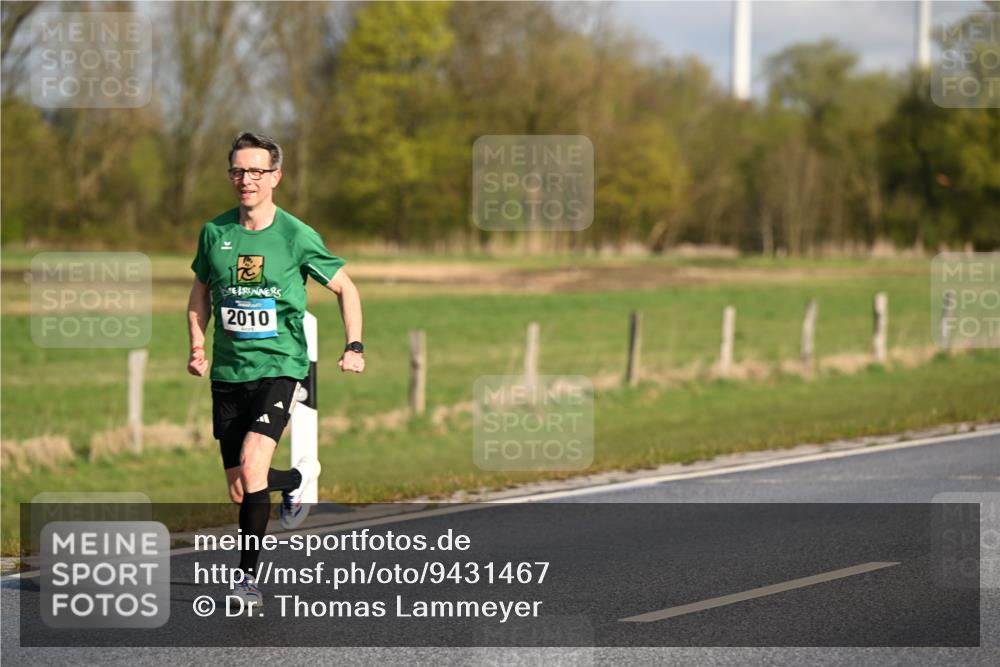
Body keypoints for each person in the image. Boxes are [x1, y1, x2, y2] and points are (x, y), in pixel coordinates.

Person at [187, 131, 365, 609]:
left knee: (251, 464)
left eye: (257, 171)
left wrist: (354, 344)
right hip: (229, 371)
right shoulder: (214, 232)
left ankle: (245, 580)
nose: (246, 180)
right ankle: (297, 480)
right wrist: (198, 343)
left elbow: (346, 288)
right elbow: (200, 293)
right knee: (242, 487)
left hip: (281, 365)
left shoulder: (295, 235)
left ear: (275, 177)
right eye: (238, 171)